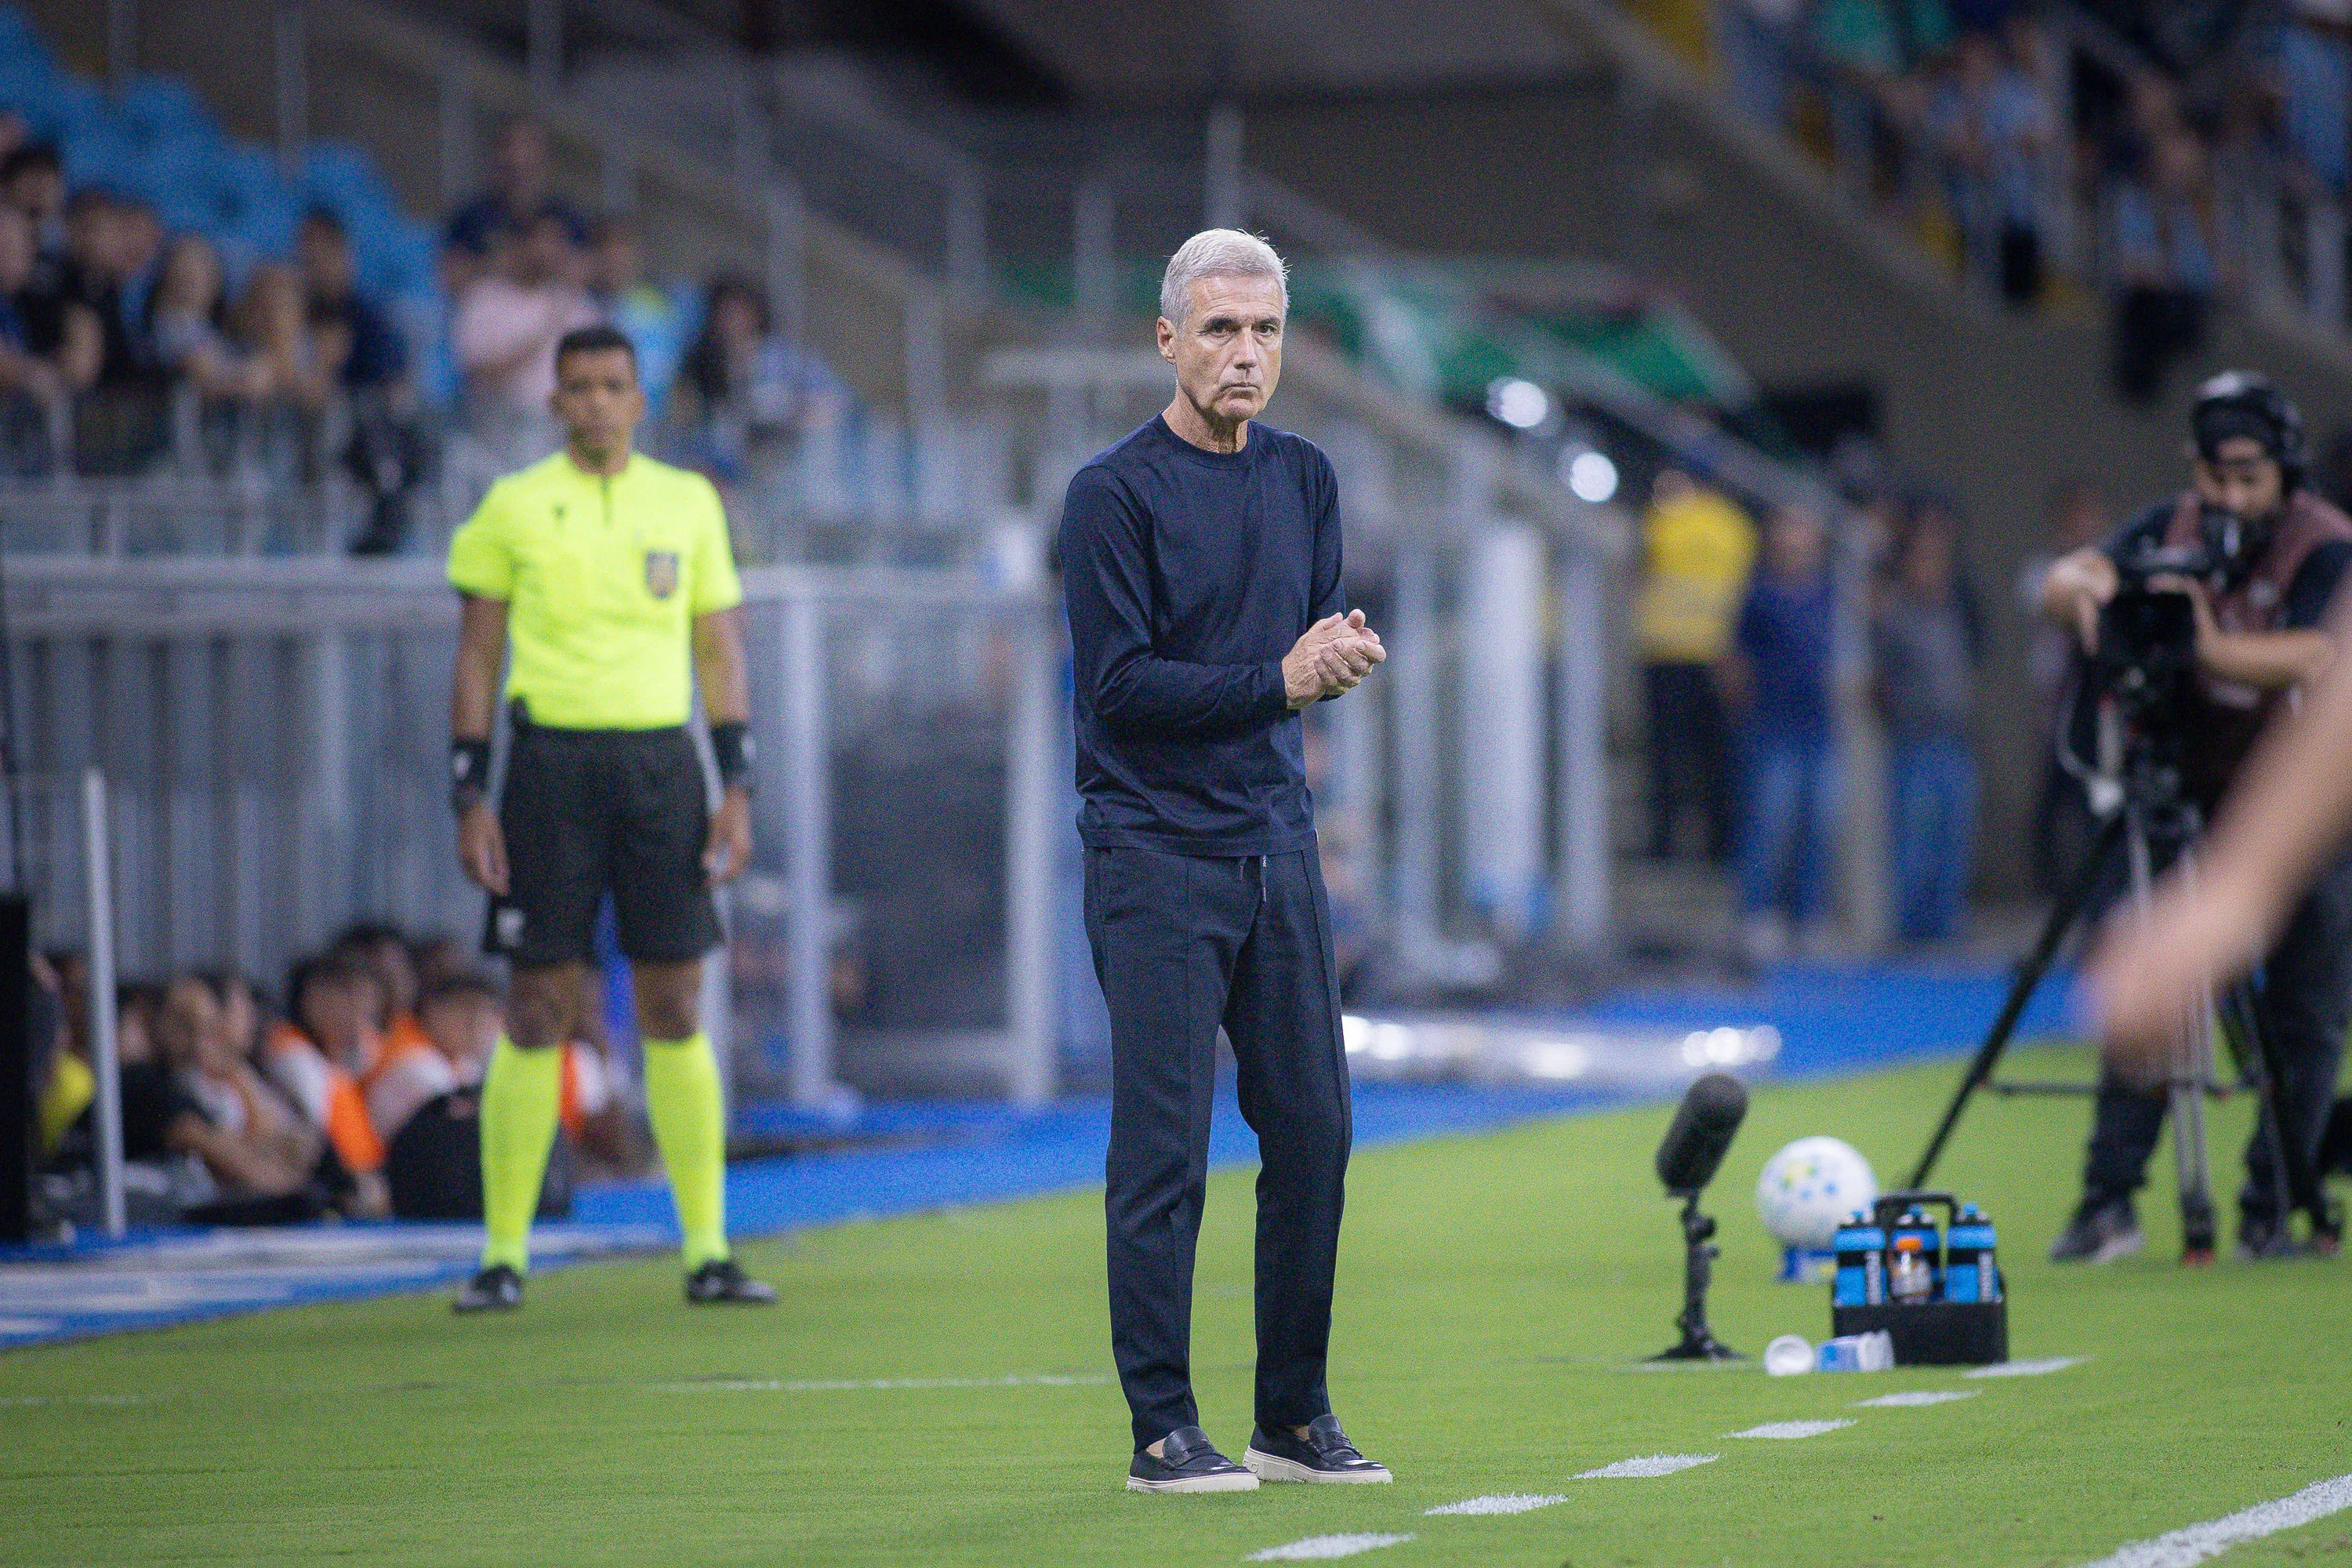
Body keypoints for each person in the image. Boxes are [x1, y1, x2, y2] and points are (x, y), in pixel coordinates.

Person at [1062, 229, 1391, 1494]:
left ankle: (1290, 1418)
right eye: (1218, 330)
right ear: (1167, 340)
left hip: (1275, 840)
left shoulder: (1305, 476)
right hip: (1152, 850)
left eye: (1263, 331)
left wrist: (1333, 657)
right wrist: (1283, 678)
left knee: (1314, 1134)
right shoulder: (1112, 494)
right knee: (1163, 1154)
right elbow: (1123, 689)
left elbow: (1300, 650)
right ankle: (1161, 1431)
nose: (1244, 352)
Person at [445, 321, 768, 1311]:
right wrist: (470, 790)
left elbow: (718, 652)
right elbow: (474, 659)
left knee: (673, 1002)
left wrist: (736, 786)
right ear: (554, 403)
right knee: (537, 1002)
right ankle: (504, 1253)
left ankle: (707, 1248)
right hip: (547, 767)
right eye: (577, 385)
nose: (594, 401)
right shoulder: (511, 506)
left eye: (611, 385)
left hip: (660, 765)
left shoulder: (688, 502)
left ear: (639, 399)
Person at [2038, 372, 2352, 1261]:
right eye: (2212, 476)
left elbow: (2321, 653)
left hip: (2303, 809)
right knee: (2155, 986)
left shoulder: (2323, 544)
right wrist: (2083, 591)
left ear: (2285, 471)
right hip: (2182, 789)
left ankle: (2275, 1204)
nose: (2227, 497)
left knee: (2307, 1009)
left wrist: (2208, 642)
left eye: (2247, 476)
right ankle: (2109, 1200)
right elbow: (2074, 576)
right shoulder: (2169, 527)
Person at [1723, 505, 1839, 966]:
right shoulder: (1760, 595)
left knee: (1817, 828)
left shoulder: (1831, 594)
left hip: (1819, 728)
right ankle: (1756, 916)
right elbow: (1734, 663)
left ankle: (1808, 918)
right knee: (1768, 825)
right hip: (1772, 728)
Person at [1871, 499, 1982, 942]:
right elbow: (1878, 679)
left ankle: (1945, 932)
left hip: (1957, 738)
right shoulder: (1894, 614)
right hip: (1914, 739)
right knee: (1913, 844)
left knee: (1954, 842)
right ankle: (1908, 935)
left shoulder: (1960, 609)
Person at [1634, 466, 1754, 864]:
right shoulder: (1736, 525)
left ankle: (1664, 842)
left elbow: (1643, 567)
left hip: (1665, 648)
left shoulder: (1665, 517)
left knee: (1666, 754)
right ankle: (1722, 844)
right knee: (1716, 755)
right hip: (1718, 650)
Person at [670, 272, 847, 481]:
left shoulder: (787, 360)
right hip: (729, 469)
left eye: (739, 312)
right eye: (725, 313)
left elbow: (834, 404)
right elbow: (685, 418)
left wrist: (788, 413)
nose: (732, 320)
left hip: (784, 463)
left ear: (755, 314)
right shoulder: (703, 361)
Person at [452, 208, 597, 441]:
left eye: (557, 241)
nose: (548, 250)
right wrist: (544, 331)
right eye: (541, 239)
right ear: (519, 243)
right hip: (493, 434)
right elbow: (477, 374)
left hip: (556, 437)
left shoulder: (580, 308)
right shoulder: (485, 298)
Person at [444, 119, 586, 291]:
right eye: (508, 146)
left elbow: (587, 270)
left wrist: (556, 258)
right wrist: (513, 261)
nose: (518, 156)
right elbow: (451, 277)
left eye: (528, 146)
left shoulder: (566, 217)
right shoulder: (470, 218)